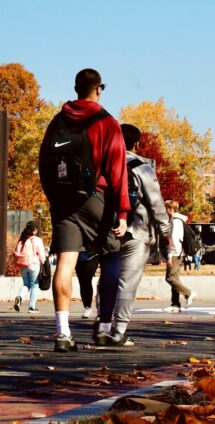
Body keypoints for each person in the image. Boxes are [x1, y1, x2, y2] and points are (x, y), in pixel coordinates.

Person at [38, 69, 129, 352]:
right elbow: (117, 171)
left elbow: (44, 162)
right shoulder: (107, 123)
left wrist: (55, 197)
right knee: (112, 255)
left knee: (65, 264)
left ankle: (63, 332)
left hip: (64, 200)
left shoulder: (59, 121)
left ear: (75, 88)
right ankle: (103, 328)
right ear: (99, 89)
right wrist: (123, 212)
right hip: (96, 198)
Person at [94, 124, 173, 347]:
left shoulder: (102, 164)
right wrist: (165, 231)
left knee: (107, 278)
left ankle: (103, 323)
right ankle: (119, 330)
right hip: (137, 230)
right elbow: (156, 203)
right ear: (136, 144)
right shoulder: (142, 167)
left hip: (108, 230)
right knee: (128, 282)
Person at [164, 200, 197, 312]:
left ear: (170, 209)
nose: (164, 211)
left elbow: (175, 240)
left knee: (170, 278)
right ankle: (175, 304)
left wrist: (170, 255)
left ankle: (189, 293)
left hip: (175, 254)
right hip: (178, 253)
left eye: (166, 208)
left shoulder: (176, 222)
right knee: (175, 278)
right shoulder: (177, 220)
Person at [13, 221, 47, 313]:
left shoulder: (22, 239)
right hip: (34, 265)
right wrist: (43, 262)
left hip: (23, 265)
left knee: (26, 285)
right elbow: (42, 255)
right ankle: (32, 307)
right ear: (34, 230)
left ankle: (19, 297)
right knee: (34, 285)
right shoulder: (37, 240)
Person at [75, 252, 99, 319]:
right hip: (78, 257)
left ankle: (89, 307)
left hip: (92, 255)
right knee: (82, 283)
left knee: (87, 280)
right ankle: (86, 307)